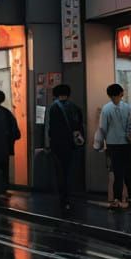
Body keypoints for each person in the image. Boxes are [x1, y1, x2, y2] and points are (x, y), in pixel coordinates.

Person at [94, 83, 131, 210]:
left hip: (112, 144)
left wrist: (97, 144)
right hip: (126, 143)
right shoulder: (129, 108)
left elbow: (102, 128)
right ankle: (130, 196)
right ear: (122, 93)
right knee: (127, 168)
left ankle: (117, 199)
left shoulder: (106, 109)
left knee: (117, 171)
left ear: (109, 95)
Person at [45, 84, 84, 212]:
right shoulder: (75, 108)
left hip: (58, 145)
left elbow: (50, 129)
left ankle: (63, 198)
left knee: (59, 171)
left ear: (55, 94)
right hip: (73, 144)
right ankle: (70, 195)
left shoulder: (53, 108)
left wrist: (48, 144)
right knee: (70, 170)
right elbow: (80, 127)